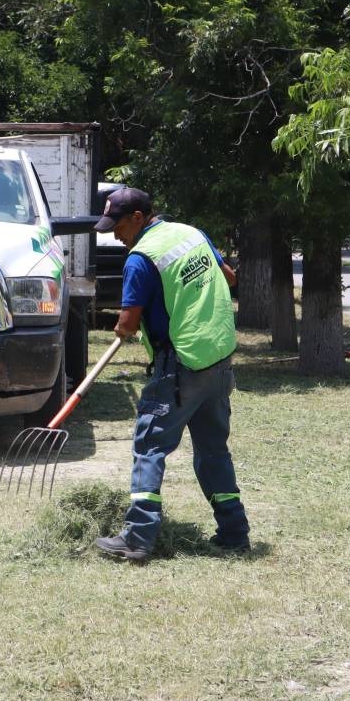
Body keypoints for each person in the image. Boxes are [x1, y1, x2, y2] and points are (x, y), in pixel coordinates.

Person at [92, 188, 250, 562]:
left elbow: (128, 323)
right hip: (217, 357)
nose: (115, 235)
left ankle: (137, 539)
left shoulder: (140, 258)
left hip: (179, 366)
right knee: (213, 451)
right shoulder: (191, 233)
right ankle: (234, 534)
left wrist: (122, 328)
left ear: (138, 217)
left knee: (150, 447)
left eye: (117, 226)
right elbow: (227, 277)